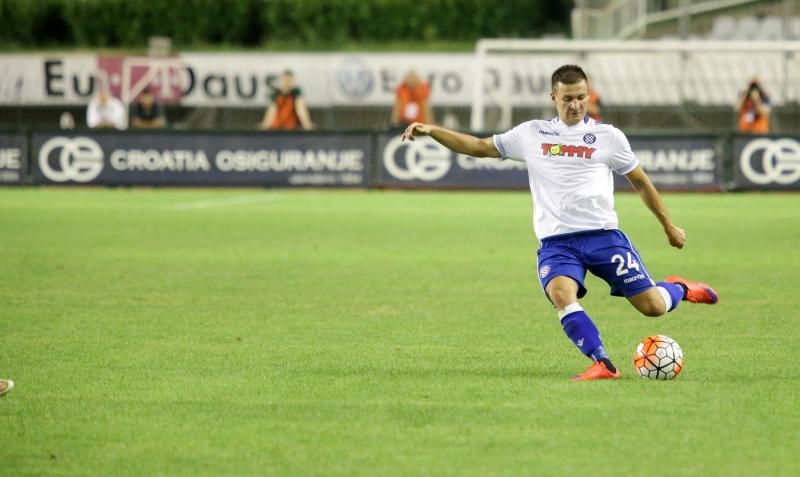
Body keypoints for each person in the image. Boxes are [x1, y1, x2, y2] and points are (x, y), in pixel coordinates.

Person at [402, 64, 719, 381]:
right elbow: (479, 146)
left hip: (604, 237)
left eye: (581, 97)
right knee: (560, 294)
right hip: (558, 244)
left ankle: (678, 288)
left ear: (588, 96)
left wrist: (668, 226)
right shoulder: (532, 133)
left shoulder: (609, 137)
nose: (575, 105)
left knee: (652, 307)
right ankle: (603, 363)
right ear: (554, 97)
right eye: (568, 98)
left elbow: (640, 181)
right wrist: (433, 131)